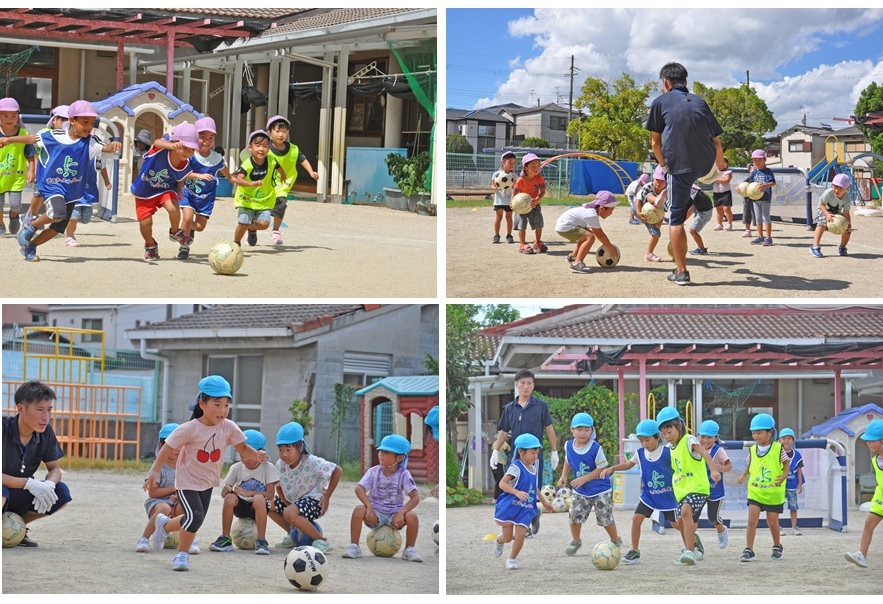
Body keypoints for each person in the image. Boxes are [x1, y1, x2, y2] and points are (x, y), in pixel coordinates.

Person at [143, 375, 264, 571]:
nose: (223, 410)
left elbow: (243, 448)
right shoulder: (190, 428)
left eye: (226, 405)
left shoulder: (229, 427)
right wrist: (155, 472)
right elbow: (166, 449)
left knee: (192, 519)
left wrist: (257, 455)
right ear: (202, 403)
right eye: (217, 404)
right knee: (196, 516)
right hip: (186, 481)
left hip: (207, 482)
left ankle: (163, 526)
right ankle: (181, 555)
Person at [3, 100, 121, 262]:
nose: (89, 126)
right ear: (72, 120)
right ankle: (31, 225)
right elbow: (31, 139)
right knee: (57, 213)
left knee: (57, 227)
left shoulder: (90, 142)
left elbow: (105, 148)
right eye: (84, 122)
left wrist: (112, 145)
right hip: (52, 185)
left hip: (72, 191)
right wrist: (9, 140)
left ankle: (30, 247)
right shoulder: (54, 136)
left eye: (92, 123)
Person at [646, 62, 726, 285]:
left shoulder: (660, 102)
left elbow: (655, 143)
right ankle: (705, 180)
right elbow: (717, 141)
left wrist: (663, 167)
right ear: (686, 82)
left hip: (679, 166)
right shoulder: (700, 101)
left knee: (676, 219)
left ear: (665, 82)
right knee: (698, 180)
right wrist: (720, 166)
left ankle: (681, 272)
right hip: (706, 164)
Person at [1, 381, 72, 547]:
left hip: (20, 492)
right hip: (4, 490)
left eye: (49, 410)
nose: (45, 417)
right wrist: (27, 483)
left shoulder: (45, 432)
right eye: (39, 410)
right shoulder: (3, 429)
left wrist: (48, 484)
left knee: (61, 492)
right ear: (20, 409)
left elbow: (54, 468)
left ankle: (14, 528)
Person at [490, 369, 559, 537]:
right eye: (522, 383)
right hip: (516, 457)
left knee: (531, 489)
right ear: (516, 385)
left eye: (529, 383)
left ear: (533, 386)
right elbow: (504, 432)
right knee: (515, 490)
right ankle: (528, 518)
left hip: (534, 456)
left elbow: (549, 429)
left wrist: (554, 451)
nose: (526, 386)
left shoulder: (541, 406)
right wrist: (495, 450)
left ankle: (526, 525)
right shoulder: (509, 408)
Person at [600, 419, 679, 564]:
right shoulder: (640, 453)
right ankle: (635, 552)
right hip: (648, 496)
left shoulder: (669, 452)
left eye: (647, 440)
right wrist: (612, 468)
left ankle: (691, 544)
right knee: (636, 519)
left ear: (658, 437)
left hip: (668, 496)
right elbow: (628, 465)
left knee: (676, 525)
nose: (644, 444)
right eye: (641, 440)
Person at [342, 434, 423, 562]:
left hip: (395, 515)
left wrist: (401, 512)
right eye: (380, 451)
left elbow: (415, 498)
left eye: (386, 452)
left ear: (400, 457)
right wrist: (368, 507)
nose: (381, 454)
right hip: (375, 514)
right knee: (358, 509)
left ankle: (409, 549)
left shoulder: (404, 474)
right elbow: (359, 488)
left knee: (412, 516)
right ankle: (354, 547)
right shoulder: (373, 472)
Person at [657, 406, 720, 565]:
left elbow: (705, 452)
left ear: (678, 426)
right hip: (680, 491)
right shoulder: (669, 448)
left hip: (698, 487)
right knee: (678, 523)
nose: (667, 436)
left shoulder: (689, 440)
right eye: (663, 434)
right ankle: (693, 544)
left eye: (669, 431)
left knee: (686, 512)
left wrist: (713, 470)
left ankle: (689, 552)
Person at [268, 421, 340, 553]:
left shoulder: (312, 462)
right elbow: (278, 486)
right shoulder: (280, 465)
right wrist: (287, 503)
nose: (284, 454)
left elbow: (337, 470)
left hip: (314, 502)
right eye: (280, 450)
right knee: (267, 504)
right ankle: (292, 534)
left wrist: (327, 496)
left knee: (289, 512)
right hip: (294, 504)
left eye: (288, 450)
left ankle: (321, 541)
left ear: (300, 447)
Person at [130, 123, 199, 260]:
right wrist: (171, 146)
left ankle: (175, 231)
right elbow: (157, 142)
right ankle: (150, 245)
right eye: (185, 148)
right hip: (144, 190)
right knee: (145, 223)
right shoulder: (160, 150)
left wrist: (179, 190)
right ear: (174, 142)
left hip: (165, 189)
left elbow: (181, 176)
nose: (188, 152)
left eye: (192, 150)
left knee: (174, 208)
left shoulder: (184, 163)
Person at [557, 413, 621, 556]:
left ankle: (615, 540)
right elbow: (568, 460)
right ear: (572, 429)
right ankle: (576, 541)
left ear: (592, 430)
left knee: (605, 518)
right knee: (574, 516)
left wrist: (584, 479)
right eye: (579, 429)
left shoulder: (595, 448)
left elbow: (601, 468)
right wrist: (564, 475)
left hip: (600, 489)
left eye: (587, 430)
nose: (583, 433)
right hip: (581, 490)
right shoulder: (568, 445)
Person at [176, 116, 236, 259]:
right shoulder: (189, 154)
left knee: (200, 227)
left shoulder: (216, 158)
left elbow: (227, 173)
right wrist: (198, 176)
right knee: (187, 217)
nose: (207, 141)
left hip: (206, 198)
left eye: (211, 137)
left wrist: (235, 179)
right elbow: (180, 173)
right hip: (188, 193)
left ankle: (188, 228)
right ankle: (184, 246)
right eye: (202, 137)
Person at [211, 429, 279, 555]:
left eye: (249, 455)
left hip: (259, 507)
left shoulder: (268, 468)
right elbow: (225, 493)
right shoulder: (236, 468)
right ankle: (225, 538)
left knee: (258, 498)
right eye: (242, 455)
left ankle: (261, 541)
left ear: (260, 453)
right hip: (241, 507)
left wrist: (249, 493)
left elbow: (270, 495)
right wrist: (226, 491)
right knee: (230, 498)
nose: (245, 459)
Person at [136, 423, 200, 555]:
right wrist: (173, 488)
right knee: (164, 508)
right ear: (162, 446)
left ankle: (191, 540)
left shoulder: (186, 465)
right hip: (158, 503)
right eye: (174, 447)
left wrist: (179, 495)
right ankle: (144, 539)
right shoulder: (159, 466)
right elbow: (153, 493)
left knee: (187, 508)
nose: (177, 450)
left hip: (177, 501)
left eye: (181, 446)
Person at [492, 433, 554, 570]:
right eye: (532, 453)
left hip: (525, 507)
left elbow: (535, 487)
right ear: (521, 452)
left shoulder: (533, 468)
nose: (535, 456)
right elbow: (502, 484)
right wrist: (516, 492)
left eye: (537, 453)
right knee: (508, 538)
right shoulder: (515, 467)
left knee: (520, 534)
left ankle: (512, 559)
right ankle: (499, 540)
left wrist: (544, 503)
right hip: (510, 506)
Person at [736, 412, 790, 562]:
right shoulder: (752, 450)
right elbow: (750, 464)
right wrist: (743, 475)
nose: (756, 436)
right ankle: (749, 550)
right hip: (755, 491)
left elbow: (786, 463)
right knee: (751, 521)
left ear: (770, 432)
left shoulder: (778, 448)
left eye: (759, 433)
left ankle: (777, 546)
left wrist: (784, 475)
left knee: (772, 522)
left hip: (773, 492)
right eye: (753, 433)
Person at [264, 115, 318, 246]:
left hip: (283, 184)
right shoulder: (265, 149)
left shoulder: (293, 149)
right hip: (265, 184)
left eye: (284, 131)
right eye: (277, 131)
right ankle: (252, 229)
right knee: (260, 209)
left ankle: (275, 230)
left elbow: (302, 159)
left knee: (281, 204)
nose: (281, 134)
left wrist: (311, 172)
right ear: (269, 132)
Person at [231, 129, 287, 249]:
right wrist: (251, 184)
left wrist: (283, 176)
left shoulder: (272, 161)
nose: (261, 149)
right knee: (242, 223)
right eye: (258, 145)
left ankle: (252, 228)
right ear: (250, 148)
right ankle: (236, 243)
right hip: (246, 200)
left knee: (264, 224)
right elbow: (239, 179)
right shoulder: (247, 164)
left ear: (269, 149)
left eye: (265, 146)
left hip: (264, 200)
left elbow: (279, 168)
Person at [845, 419, 883, 568]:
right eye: (866, 441)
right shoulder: (875, 460)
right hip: (881, 497)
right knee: (868, 524)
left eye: (871, 441)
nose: (868, 444)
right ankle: (862, 556)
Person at [21, 105, 68, 224]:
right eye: (62, 120)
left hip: (59, 174)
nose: (65, 123)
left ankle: (48, 222)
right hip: (44, 172)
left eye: (68, 120)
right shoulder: (45, 133)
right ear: (54, 120)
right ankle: (30, 215)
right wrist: (35, 168)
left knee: (52, 197)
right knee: (38, 196)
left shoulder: (70, 137)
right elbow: (35, 150)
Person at [554, 190, 618, 274]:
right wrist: (610, 248)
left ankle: (573, 256)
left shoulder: (591, 211)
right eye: (611, 210)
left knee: (586, 234)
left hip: (563, 226)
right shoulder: (591, 214)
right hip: (565, 227)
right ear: (602, 208)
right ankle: (577, 264)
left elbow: (596, 232)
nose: (611, 213)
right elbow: (600, 235)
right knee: (590, 237)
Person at [0, 97, 36, 236]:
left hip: (16, 176)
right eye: (5, 115)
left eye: (14, 116)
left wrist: (32, 170)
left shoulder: (23, 134)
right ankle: (1, 223)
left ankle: (14, 216)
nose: (10, 119)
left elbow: (31, 154)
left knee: (16, 205)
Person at [697, 420, 732, 548]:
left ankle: (721, 531)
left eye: (709, 437)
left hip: (715, 490)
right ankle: (692, 542)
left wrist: (721, 468)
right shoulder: (695, 449)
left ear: (716, 438)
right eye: (703, 437)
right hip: (699, 489)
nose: (705, 440)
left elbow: (729, 465)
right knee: (693, 516)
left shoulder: (718, 450)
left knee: (713, 517)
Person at [64, 152, 110, 247]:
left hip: (88, 193)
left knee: (86, 219)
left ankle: (69, 222)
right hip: (74, 192)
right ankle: (69, 236)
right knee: (74, 217)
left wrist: (107, 181)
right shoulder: (71, 153)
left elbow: (102, 168)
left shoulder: (95, 157)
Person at [810, 173, 853, 258]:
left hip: (836, 211)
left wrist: (848, 223)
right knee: (822, 223)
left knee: (847, 228)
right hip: (824, 209)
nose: (837, 190)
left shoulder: (847, 198)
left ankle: (842, 247)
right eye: (835, 186)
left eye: (841, 187)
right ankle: (815, 246)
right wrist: (827, 215)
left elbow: (846, 213)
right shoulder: (828, 193)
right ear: (832, 185)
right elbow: (822, 205)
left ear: (847, 188)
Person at [511, 152, 547, 255]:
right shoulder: (520, 180)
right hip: (521, 206)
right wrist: (512, 203)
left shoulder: (539, 178)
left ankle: (537, 242)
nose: (536, 168)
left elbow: (543, 191)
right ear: (525, 167)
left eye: (538, 166)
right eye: (533, 166)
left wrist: (537, 199)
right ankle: (522, 244)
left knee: (539, 223)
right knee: (522, 225)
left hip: (533, 204)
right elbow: (514, 193)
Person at [744, 149, 776, 246]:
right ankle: (760, 236)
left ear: (765, 160)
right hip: (755, 198)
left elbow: (773, 183)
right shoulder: (754, 172)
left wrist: (765, 186)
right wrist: (741, 187)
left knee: (766, 217)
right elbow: (749, 183)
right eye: (755, 160)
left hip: (765, 198)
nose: (757, 162)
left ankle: (769, 238)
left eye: (759, 160)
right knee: (757, 218)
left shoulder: (768, 171)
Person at [634, 166, 667, 262]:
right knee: (648, 195)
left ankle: (648, 254)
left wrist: (660, 220)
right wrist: (638, 212)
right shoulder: (648, 186)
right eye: (657, 180)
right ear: (653, 178)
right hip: (639, 207)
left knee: (656, 234)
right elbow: (638, 198)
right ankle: (656, 200)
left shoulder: (667, 193)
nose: (658, 183)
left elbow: (663, 210)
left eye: (662, 181)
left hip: (653, 212)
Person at [779, 428, 804, 535]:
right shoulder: (776, 453)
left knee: (793, 506)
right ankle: (777, 527)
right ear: (779, 440)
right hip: (779, 485)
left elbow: (799, 469)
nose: (786, 441)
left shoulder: (797, 455)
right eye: (784, 438)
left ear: (793, 440)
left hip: (792, 485)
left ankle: (794, 527)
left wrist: (799, 484)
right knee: (777, 507)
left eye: (789, 438)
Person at [491, 150, 517, 244]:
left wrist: (513, 182)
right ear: (503, 162)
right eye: (509, 162)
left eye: (513, 163)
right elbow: (492, 185)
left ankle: (509, 235)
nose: (512, 165)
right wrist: (496, 187)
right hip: (499, 200)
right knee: (498, 217)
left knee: (509, 218)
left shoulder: (514, 175)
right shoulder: (497, 174)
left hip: (509, 200)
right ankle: (496, 235)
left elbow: (515, 188)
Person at [687, 185, 715, 256]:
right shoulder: (691, 188)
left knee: (693, 231)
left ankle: (702, 249)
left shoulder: (690, 192)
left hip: (704, 213)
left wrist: (681, 221)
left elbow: (690, 209)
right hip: (702, 210)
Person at [712, 157, 734, 230]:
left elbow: (726, 180)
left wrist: (716, 179)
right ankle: (719, 224)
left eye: (724, 162)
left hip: (726, 192)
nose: (722, 164)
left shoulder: (728, 172)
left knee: (727, 209)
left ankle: (729, 224)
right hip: (716, 192)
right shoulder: (715, 172)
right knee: (719, 209)